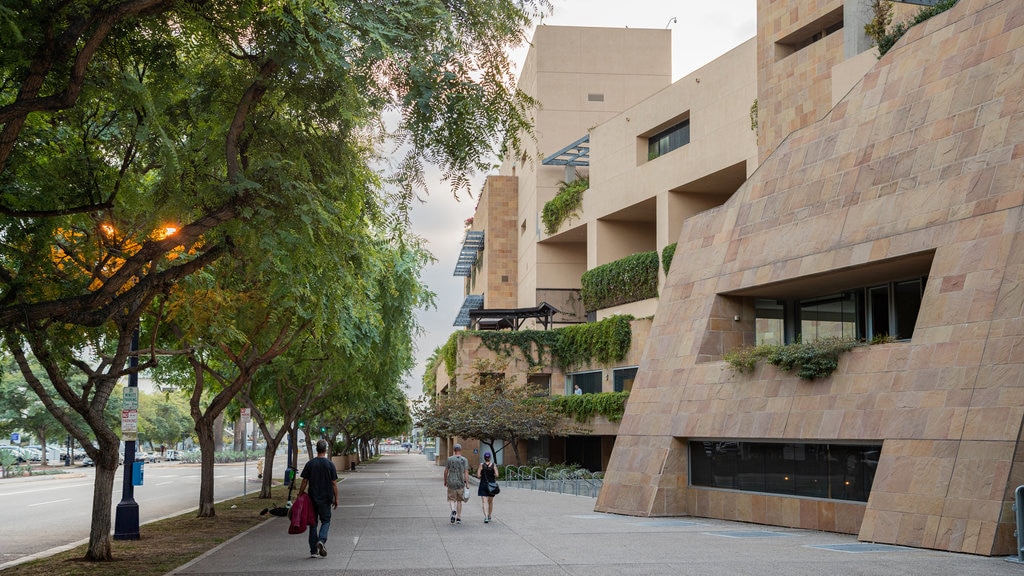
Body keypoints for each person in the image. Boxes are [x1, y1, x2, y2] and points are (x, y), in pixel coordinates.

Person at [298, 439, 338, 558]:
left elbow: (304, 480)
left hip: (312, 498)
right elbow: (334, 483)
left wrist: (300, 494)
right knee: (326, 521)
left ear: (317, 450)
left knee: (313, 523)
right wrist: (337, 499)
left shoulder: (310, 464)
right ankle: (321, 540)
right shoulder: (330, 464)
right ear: (325, 450)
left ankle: (313, 551)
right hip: (326, 499)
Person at [443, 443, 470, 524]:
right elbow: (466, 472)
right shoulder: (464, 460)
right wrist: (467, 483)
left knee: (451, 499)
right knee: (459, 500)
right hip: (460, 482)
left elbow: (446, 471)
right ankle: (458, 518)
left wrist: (445, 480)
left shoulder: (449, 459)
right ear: (460, 450)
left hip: (451, 481)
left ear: (454, 450)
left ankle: (453, 510)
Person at [476, 451, 499, 523]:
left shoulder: (481, 465)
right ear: (490, 458)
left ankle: (485, 516)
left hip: (483, 484)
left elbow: (478, 475)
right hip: (492, 485)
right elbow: (497, 475)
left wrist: (482, 475)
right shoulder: (493, 465)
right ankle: (489, 515)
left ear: (484, 458)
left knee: (484, 501)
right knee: (490, 501)